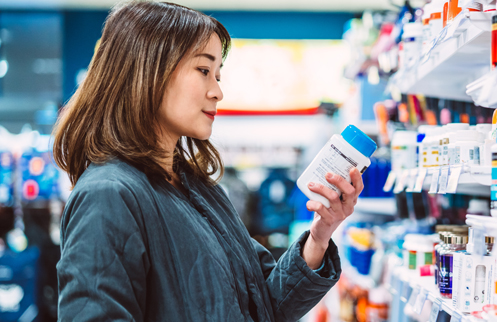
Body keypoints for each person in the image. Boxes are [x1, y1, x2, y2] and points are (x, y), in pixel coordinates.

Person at [51, 2, 361, 321]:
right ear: (148, 70)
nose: (217, 92)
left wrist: (321, 233)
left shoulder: (197, 188)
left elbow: (264, 306)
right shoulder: (108, 195)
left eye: (218, 75)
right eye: (203, 70)